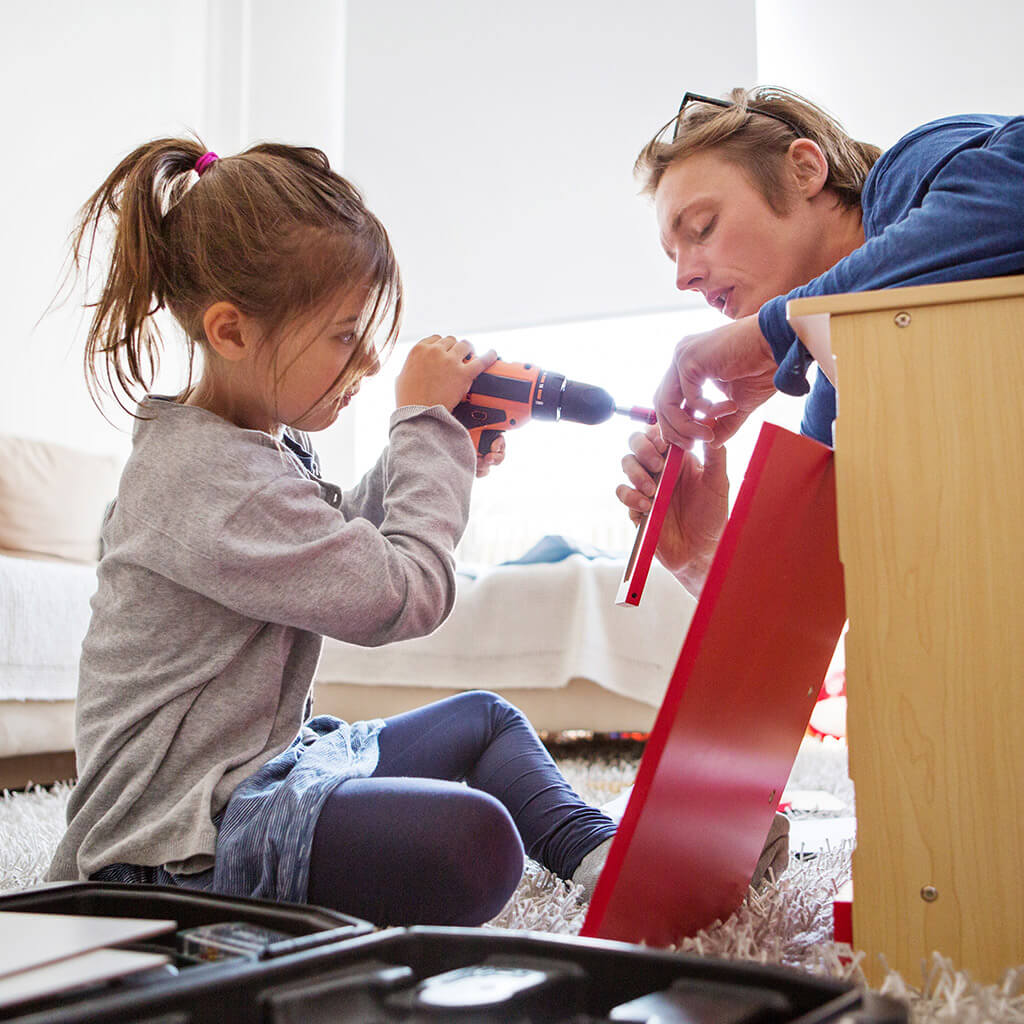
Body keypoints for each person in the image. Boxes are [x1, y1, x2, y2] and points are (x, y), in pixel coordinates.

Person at [45, 137, 618, 927]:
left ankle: (611, 859)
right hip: (175, 848)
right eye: (345, 334)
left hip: (266, 773)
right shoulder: (201, 481)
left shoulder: (246, 448)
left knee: (487, 720)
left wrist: (433, 443)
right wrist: (423, 430)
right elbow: (401, 594)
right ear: (232, 331)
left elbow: (337, 535)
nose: (372, 359)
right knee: (475, 844)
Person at [618, 86, 1024, 594]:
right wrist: (703, 559)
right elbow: (806, 604)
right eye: (672, 256)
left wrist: (774, 332)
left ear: (805, 170)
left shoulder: (912, 170)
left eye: (703, 226)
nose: (683, 277)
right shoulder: (834, 398)